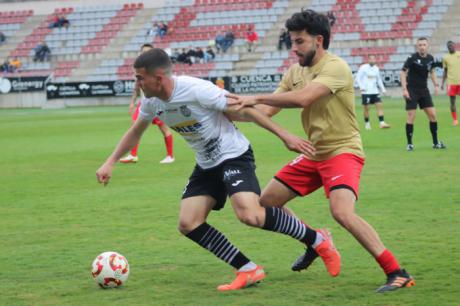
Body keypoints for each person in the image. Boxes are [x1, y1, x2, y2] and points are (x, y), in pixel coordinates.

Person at [96, 48, 340, 291]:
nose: (136, 83)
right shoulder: (151, 102)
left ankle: (318, 239)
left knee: (250, 214)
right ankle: (247, 269)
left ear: (158, 78)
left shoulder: (195, 89)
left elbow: (244, 109)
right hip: (206, 163)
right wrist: (110, 161)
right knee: (188, 222)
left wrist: (285, 136)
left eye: (139, 77)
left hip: (234, 155)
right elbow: (136, 130)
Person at [226, 9, 414, 293]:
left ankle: (397, 272)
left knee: (342, 212)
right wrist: (226, 112)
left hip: (342, 151)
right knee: (265, 204)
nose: (294, 48)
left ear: (319, 40)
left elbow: (303, 98)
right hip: (313, 153)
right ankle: (315, 240)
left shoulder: (335, 67)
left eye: (299, 41)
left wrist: (255, 96)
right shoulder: (294, 71)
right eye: (292, 41)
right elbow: (267, 111)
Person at [119, 44, 174, 164]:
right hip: (144, 104)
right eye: (143, 51)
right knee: (135, 127)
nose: (144, 53)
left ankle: (170, 156)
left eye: (147, 52)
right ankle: (133, 155)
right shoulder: (140, 70)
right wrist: (132, 103)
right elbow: (136, 88)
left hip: (158, 103)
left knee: (164, 129)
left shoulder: (158, 70)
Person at [401, 37, 446, 151]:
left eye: (424, 44)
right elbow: (403, 72)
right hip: (412, 90)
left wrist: (436, 85)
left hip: (424, 90)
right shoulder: (412, 58)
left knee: (433, 115)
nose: (422, 46)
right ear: (417, 46)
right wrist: (404, 89)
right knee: (411, 115)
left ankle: (435, 143)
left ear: (427, 46)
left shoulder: (430, 58)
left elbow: (432, 71)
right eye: (420, 45)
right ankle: (410, 144)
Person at [355, 55, 390, 130]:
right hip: (366, 92)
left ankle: (382, 123)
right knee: (367, 108)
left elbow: (379, 80)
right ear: (368, 60)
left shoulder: (376, 68)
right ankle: (367, 124)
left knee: (379, 105)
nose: (372, 60)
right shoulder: (363, 67)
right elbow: (358, 78)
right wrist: (361, 87)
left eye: (374, 59)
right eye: (371, 59)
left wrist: (383, 90)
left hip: (375, 91)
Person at [441, 40, 460, 126]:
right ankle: (455, 120)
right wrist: (442, 83)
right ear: (447, 48)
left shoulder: (459, 54)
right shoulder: (445, 57)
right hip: (451, 83)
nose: (450, 47)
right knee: (452, 102)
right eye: (449, 46)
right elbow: (445, 71)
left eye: (451, 46)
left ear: (455, 46)